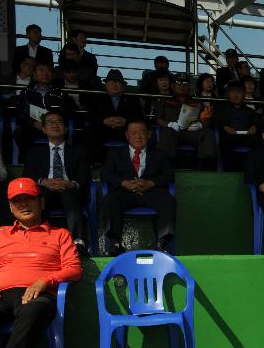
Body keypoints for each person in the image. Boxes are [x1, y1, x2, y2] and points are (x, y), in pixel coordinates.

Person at [0, 178, 82, 348]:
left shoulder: (60, 234)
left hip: (39, 296)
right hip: (2, 295)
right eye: (18, 201)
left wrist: (45, 280)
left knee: (31, 312)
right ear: (10, 207)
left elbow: (74, 269)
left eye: (30, 200)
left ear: (41, 202)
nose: (24, 205)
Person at [101, 119, 176, 255]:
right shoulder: (115, 154)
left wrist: (150, 183)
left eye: (142, 132)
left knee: (168, 200)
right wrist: (124, 183)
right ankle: (115, 244)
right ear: (127, 135)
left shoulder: (159, 154)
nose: (138, 136)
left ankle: (161, 243)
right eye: (133, 133)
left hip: (151, 192)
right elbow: (106, 174)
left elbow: (169, 176)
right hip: (125, 193)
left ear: (149, 135)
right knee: (110, 199)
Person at [21, 111, 91, 256]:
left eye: (59, 122)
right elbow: (27, 175)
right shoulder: (34, 152)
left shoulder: (79, 151)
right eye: (50, 122)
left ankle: (77, 242)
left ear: (65, 129)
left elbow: (84, 175)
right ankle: (38, 241)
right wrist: (44, 181)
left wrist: (70, 184)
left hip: (69, 188)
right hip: (45, 189)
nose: (54, 125)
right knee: (38, 198)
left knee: (70, 196)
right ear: (44, 129)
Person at [13, 63, 76, 164]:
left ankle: (59, 165)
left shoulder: (60, 93)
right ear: (34, 74)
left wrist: (54, 121)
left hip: (55, 126)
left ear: (53, 75)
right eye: (41, 70)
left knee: (64, 132)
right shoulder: (26, 92)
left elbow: (69, 111)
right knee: (20, 133)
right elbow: (20, 113)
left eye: (49, 71)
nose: (45, 73)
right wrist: (33, 123)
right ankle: (26, 164)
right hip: (34, 126)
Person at [154, 73, 216, 169]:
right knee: (166, 131)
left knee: (208, 132)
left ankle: (204, 165)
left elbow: (206, 118)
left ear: (190, 86)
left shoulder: (196, 101)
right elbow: (158, 119)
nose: (182, 86)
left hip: (192, 131)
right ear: (173, 86)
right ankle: (168, 165)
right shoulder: (165, 100)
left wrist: (200, 124)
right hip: (174, 131)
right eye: (178, 83)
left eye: (186, 83)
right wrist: (169, 124)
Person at [92, 69, 143, 160]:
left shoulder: (132, 99)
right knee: (90, 131)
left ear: (123, 86)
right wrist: (104, 120)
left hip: (125, 130)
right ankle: (97, 160)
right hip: (104, 130)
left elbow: (139, 116)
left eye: (118, 82)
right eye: (112, 82)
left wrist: (126, 121)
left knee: (139, 132)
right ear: (106, 84)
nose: (115, 85)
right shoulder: (98, 98)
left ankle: (135, 160)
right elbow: (91, 115)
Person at [212, 81, 263, 171]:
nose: (236, 95)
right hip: (230, 137)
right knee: (225, 144)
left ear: (244, 94)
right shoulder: (222, 109)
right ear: (228, 94)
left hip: (247, 137)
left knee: (260, 142)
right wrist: (224, 127)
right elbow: (214, 122)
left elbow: (259, 123)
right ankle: (228, 172)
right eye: (233, 92)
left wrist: (255, 127)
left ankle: (258, 171)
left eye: (239, 92)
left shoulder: (250, 110)